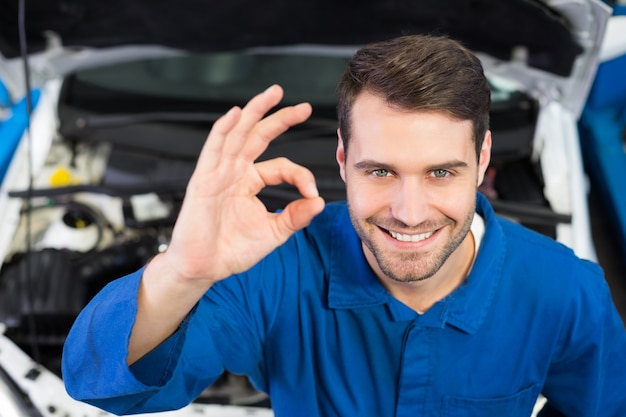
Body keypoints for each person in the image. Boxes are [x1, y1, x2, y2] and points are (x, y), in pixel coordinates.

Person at [62, 35, 626, 417]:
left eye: (440, 172)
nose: (409, 211)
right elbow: (103, 386)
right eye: (380, 170)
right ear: (341, 160)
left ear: (482, 161)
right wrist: (182, 271)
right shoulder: (273, 269)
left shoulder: (567, 291)